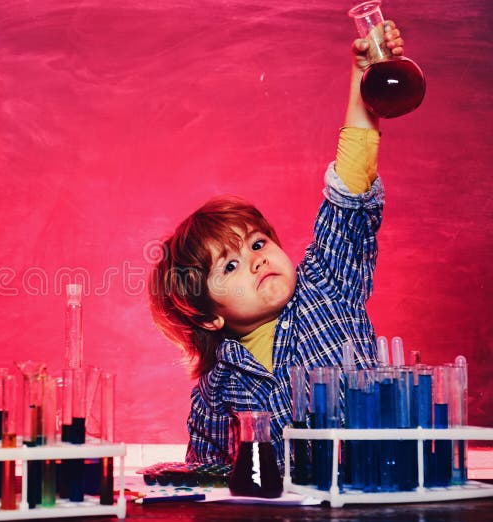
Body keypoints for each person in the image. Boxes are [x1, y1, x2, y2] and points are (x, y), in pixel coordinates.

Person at [149, 22, 405, 470]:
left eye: (257, 242)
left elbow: (350, 188)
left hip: (373, 493)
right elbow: (206, 473)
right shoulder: (218, 387)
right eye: (229, 267)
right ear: (209, 316)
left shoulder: (328, 286)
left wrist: (363, 83)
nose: (255, 259)